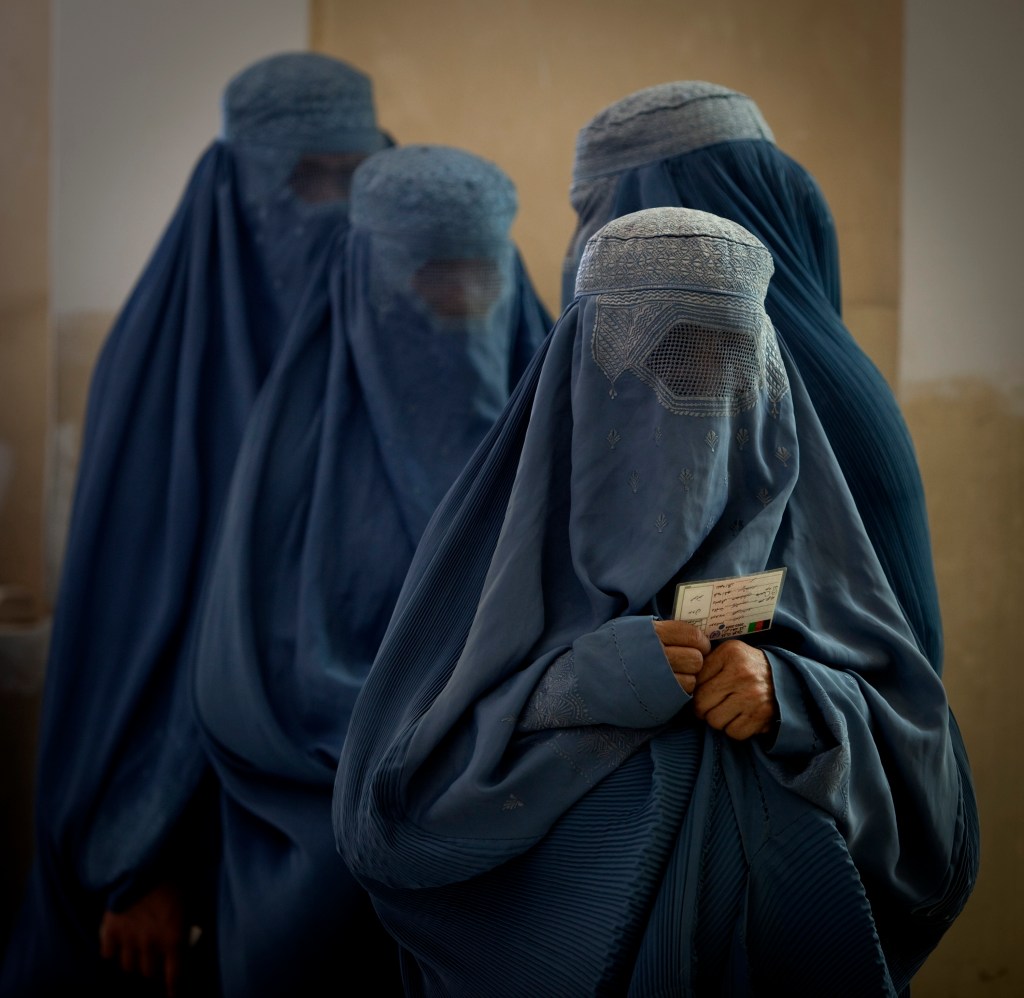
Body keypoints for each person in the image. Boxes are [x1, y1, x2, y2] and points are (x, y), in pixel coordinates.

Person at [332, 206, 978, 995]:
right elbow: (390, 817)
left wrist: (797, 697)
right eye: (664, 356)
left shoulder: (816, 545)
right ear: (580, 370)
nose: (699, 397)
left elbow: (931, 793)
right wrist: (568, 689)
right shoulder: (496, 551)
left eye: (728, 357)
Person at [1, 51, 391, 997]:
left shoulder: (394, 351)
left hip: (354, 859)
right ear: (234, 182)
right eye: (308, 179)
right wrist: (138, 858)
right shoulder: (159, 370)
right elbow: (131, 648)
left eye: (357, 177)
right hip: (170, 864)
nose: (336, 209)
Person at [184, 143, 550, 997]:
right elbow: (242, 687)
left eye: (479, 279)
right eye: (430, 282)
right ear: (368, 278)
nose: (460, 305)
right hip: (313, 873)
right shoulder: (289, 459)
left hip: (510, 865)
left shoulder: (549, 429)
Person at [561, 81, 945, 672]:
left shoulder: (778, 396)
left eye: (590, 211)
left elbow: (868, 658)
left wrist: (784, 690)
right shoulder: (845, 377)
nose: (580, 245)